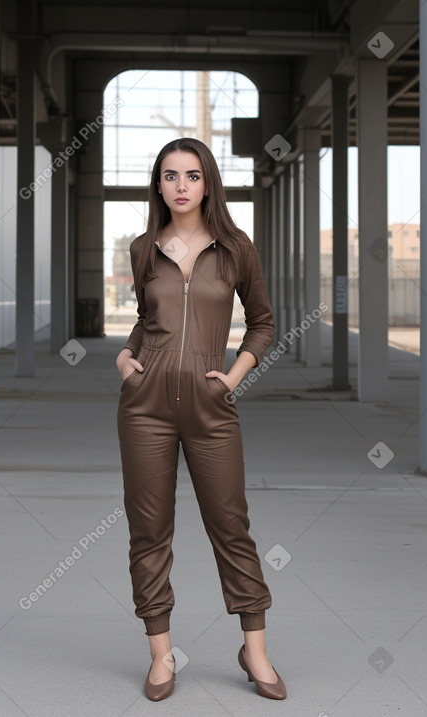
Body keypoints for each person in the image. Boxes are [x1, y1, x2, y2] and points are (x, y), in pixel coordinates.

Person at [116, 137, 286, 702]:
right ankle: (161, 655)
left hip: (213, 407)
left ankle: (255, 650)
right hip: (146, 408)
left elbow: (262, 322)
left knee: (231, 528)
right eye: (170, 175)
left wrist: (236, 375)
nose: (181, 185)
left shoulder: (236, 248)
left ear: (208, 182)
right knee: (149, 532)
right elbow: (147, 322)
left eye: (192, 175)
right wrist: (125, 355)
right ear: (158, 184)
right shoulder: (143, 249)